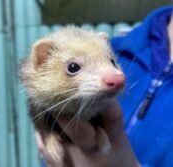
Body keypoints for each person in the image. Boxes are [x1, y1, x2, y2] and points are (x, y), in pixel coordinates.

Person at [38, 5, 173, 167]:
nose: (115, 75)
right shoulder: (120, 47)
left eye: (111, 61)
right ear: (41, 60)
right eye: (73, 68)